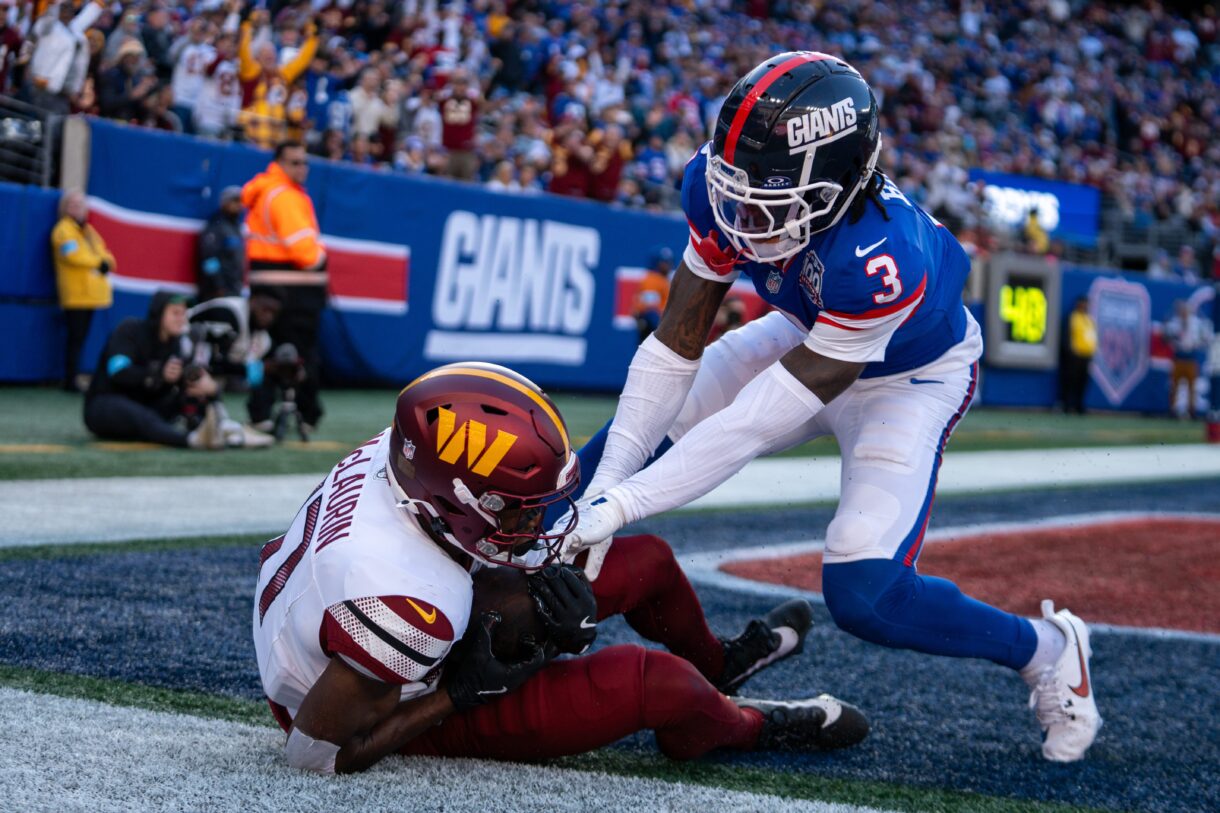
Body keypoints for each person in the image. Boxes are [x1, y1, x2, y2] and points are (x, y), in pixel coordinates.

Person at [557, 52, 1101, 763]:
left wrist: (626, 506)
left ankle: (1049, 649)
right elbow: (674, 349)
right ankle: (509, 577)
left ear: (836, 187)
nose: (740, 213)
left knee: (864, 591)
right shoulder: (723, 186)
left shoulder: (883, 256)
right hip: (810, 327)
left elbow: (753, 421)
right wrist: (603, 489)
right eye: (735, 187)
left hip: (908, 376)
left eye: (767, 198)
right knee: (608, 458)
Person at [253, 362, 867, 774]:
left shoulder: (409, 462)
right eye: (519, 512)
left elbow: (449, 550)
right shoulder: (406, 605)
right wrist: (463, 694)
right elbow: (314, 753)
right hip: (373, 700)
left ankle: (722, 668)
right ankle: (737, 724)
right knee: (654, 682)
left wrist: (530, 618)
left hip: (378, 615)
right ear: (457, 502)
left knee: (645, 561)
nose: (534, 524)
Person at [242, 140, 327, 433]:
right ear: (279, 163)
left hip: (266, 287)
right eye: (295, 162)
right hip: (293, 292)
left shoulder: (268, 191)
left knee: (266, 352)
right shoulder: (284, 196)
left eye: (305, 162)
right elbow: (304, 252)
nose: (302, 168)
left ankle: (260, 411)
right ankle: (307, 413)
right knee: (300, 355)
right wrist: (321, 257)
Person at [83, 290, 224, 449]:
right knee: (140, 414)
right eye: (175, 313)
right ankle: (190, 440)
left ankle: (223, 429)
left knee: (195, 394)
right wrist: (157, 374)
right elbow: (118, 372)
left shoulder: (177, 344)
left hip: (146, 407)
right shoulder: (130, 330)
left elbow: (180, 383)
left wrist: (210, 388)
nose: (181, 319)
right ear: (158, 313)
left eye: (183, 313)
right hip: (106, 407)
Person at [52, 188, 114, 392]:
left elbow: (106, 253)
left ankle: (74, 377)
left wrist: (105, 262)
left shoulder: (88, 231)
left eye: (80, 205)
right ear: (65, 208)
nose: (77, 209)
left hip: (92, 295)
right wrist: (99, 262)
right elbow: (72, 255)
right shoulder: (63, 230)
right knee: (75, 338)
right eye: (72, 204)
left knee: (81, 338)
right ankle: (70, 380)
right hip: (76, 295)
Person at [196, 185, 246, 301]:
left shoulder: (236, 228)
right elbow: (208, 258)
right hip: (217, 292)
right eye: (235, 201)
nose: (239, 205)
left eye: (241, 201)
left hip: (234, 290)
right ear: (225, 203)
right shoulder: (216, 226)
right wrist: (217, 286)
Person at [1163, 300, 1209, 419]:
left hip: (1190, 358)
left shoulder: (1196, 323)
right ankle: (1172, 410)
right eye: (1181, 310)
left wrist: (1198, 342)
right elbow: (1166, 337)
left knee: (1192, 387)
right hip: (1178, 357)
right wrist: (1172, 337)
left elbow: (1204, 338)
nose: (1183, 312)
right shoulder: (1174, 322)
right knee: (1174, 386)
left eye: (1185, 310)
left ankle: (1192, 411)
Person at [1060, 296, 1096, 415]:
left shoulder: (1089, 319)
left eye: (1086, 304)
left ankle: (1079, 405)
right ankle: (1066, 405)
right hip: (1074, 356)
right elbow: (1067, 336)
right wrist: (1070, 352)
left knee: (1083, 382)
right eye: (1082, 303)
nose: (1084, 306)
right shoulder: (1072, 317)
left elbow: (1092, 337)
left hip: (1086, 356)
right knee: (1070, 381)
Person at [633, 247, 673, 344]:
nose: (667, 265)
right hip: (652, 329)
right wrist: (665, 331)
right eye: (664, 262)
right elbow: (650, 310)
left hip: (658, 327)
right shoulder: (652, 280)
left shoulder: (663, 280)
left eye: (668, 262)